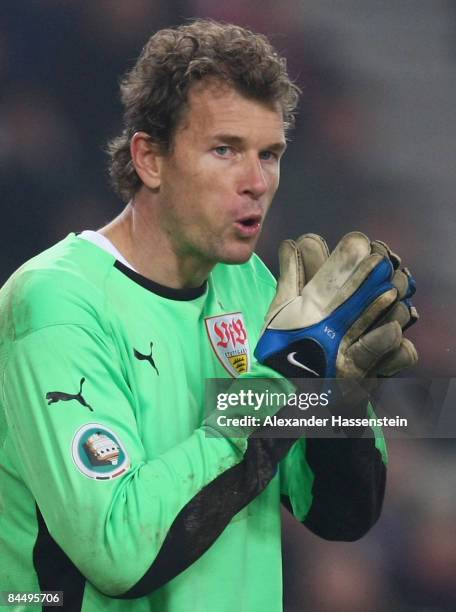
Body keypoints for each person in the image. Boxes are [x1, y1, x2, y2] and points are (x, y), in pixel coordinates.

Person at [0, 19, 417, 612]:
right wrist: (279, 383)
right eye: (225, 150)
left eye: (269, 155)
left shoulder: (251, 286)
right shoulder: (56, 302)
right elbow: (119, 550)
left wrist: (337, 401)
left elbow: (337, 513)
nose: (256, 182)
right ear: (149, 158)